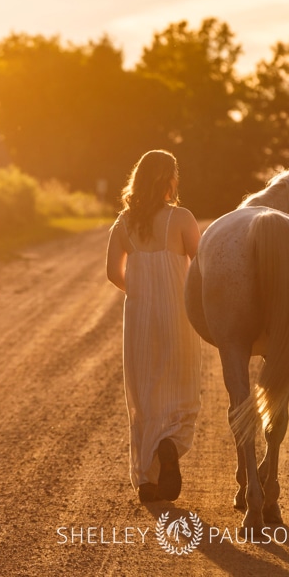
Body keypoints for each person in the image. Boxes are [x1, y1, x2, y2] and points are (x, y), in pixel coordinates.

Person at [105, 150, 202, 503]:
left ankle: (146, 478)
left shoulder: (124, 223)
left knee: (144, 394)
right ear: (169, 180)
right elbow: (202, 263)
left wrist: (142, 290)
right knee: (181, 385)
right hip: (178, 315)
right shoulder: (181, 218)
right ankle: (170, 444)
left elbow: (113, 273)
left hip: (140, 318)